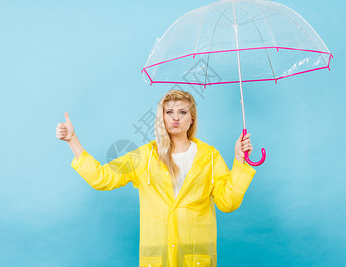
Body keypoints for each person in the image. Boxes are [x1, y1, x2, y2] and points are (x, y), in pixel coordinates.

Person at [56, 90, 256, 267]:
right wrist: (72, 140)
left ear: (192, 118)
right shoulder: (145, 156)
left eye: (182, 112)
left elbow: (228, 202)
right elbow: (102, 178)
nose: (175, 118)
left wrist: (240, 160)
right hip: (157, 258)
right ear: (162, 117)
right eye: (169, 112)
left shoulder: (210, 157)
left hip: (196, 258)